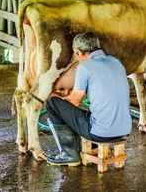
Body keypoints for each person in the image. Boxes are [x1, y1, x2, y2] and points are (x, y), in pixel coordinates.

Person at [46, 32, 132, 166]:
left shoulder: (85, 66)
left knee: (52, 103)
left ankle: (69, 154)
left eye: (76, 55)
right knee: (89, 112)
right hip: (125, 130)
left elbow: (75, 101)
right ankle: (87, 147)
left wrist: (58, 97)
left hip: (101, 133)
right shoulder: (116, 62)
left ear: (79, 52)